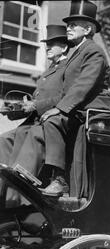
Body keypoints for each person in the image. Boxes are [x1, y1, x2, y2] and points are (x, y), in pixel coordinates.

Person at [11, 0, 110, 197]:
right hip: (79, 106)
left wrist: (59, 108)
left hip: (92, 108)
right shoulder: (78, 52)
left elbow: (83, 85)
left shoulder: (94, 51)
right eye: (68, 24)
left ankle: (60, 179)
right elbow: (67, 90)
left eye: (74, 24)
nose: (69, 28)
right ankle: (25, 176)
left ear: (88, 28)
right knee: (41, 123)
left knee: (53, 120)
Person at [0, 25, 71, 206]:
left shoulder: (69, 68)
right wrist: (18, 108)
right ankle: (3, 189)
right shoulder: (47, 72)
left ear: (63, 47)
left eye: (52, 44)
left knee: (30, 138)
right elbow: (35, 100)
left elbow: (66, 97)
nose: (47, 47)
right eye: (47, 44)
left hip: (52, 122)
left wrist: (35, 105)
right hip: (35, 121)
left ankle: (20, 198)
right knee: (5, 138)